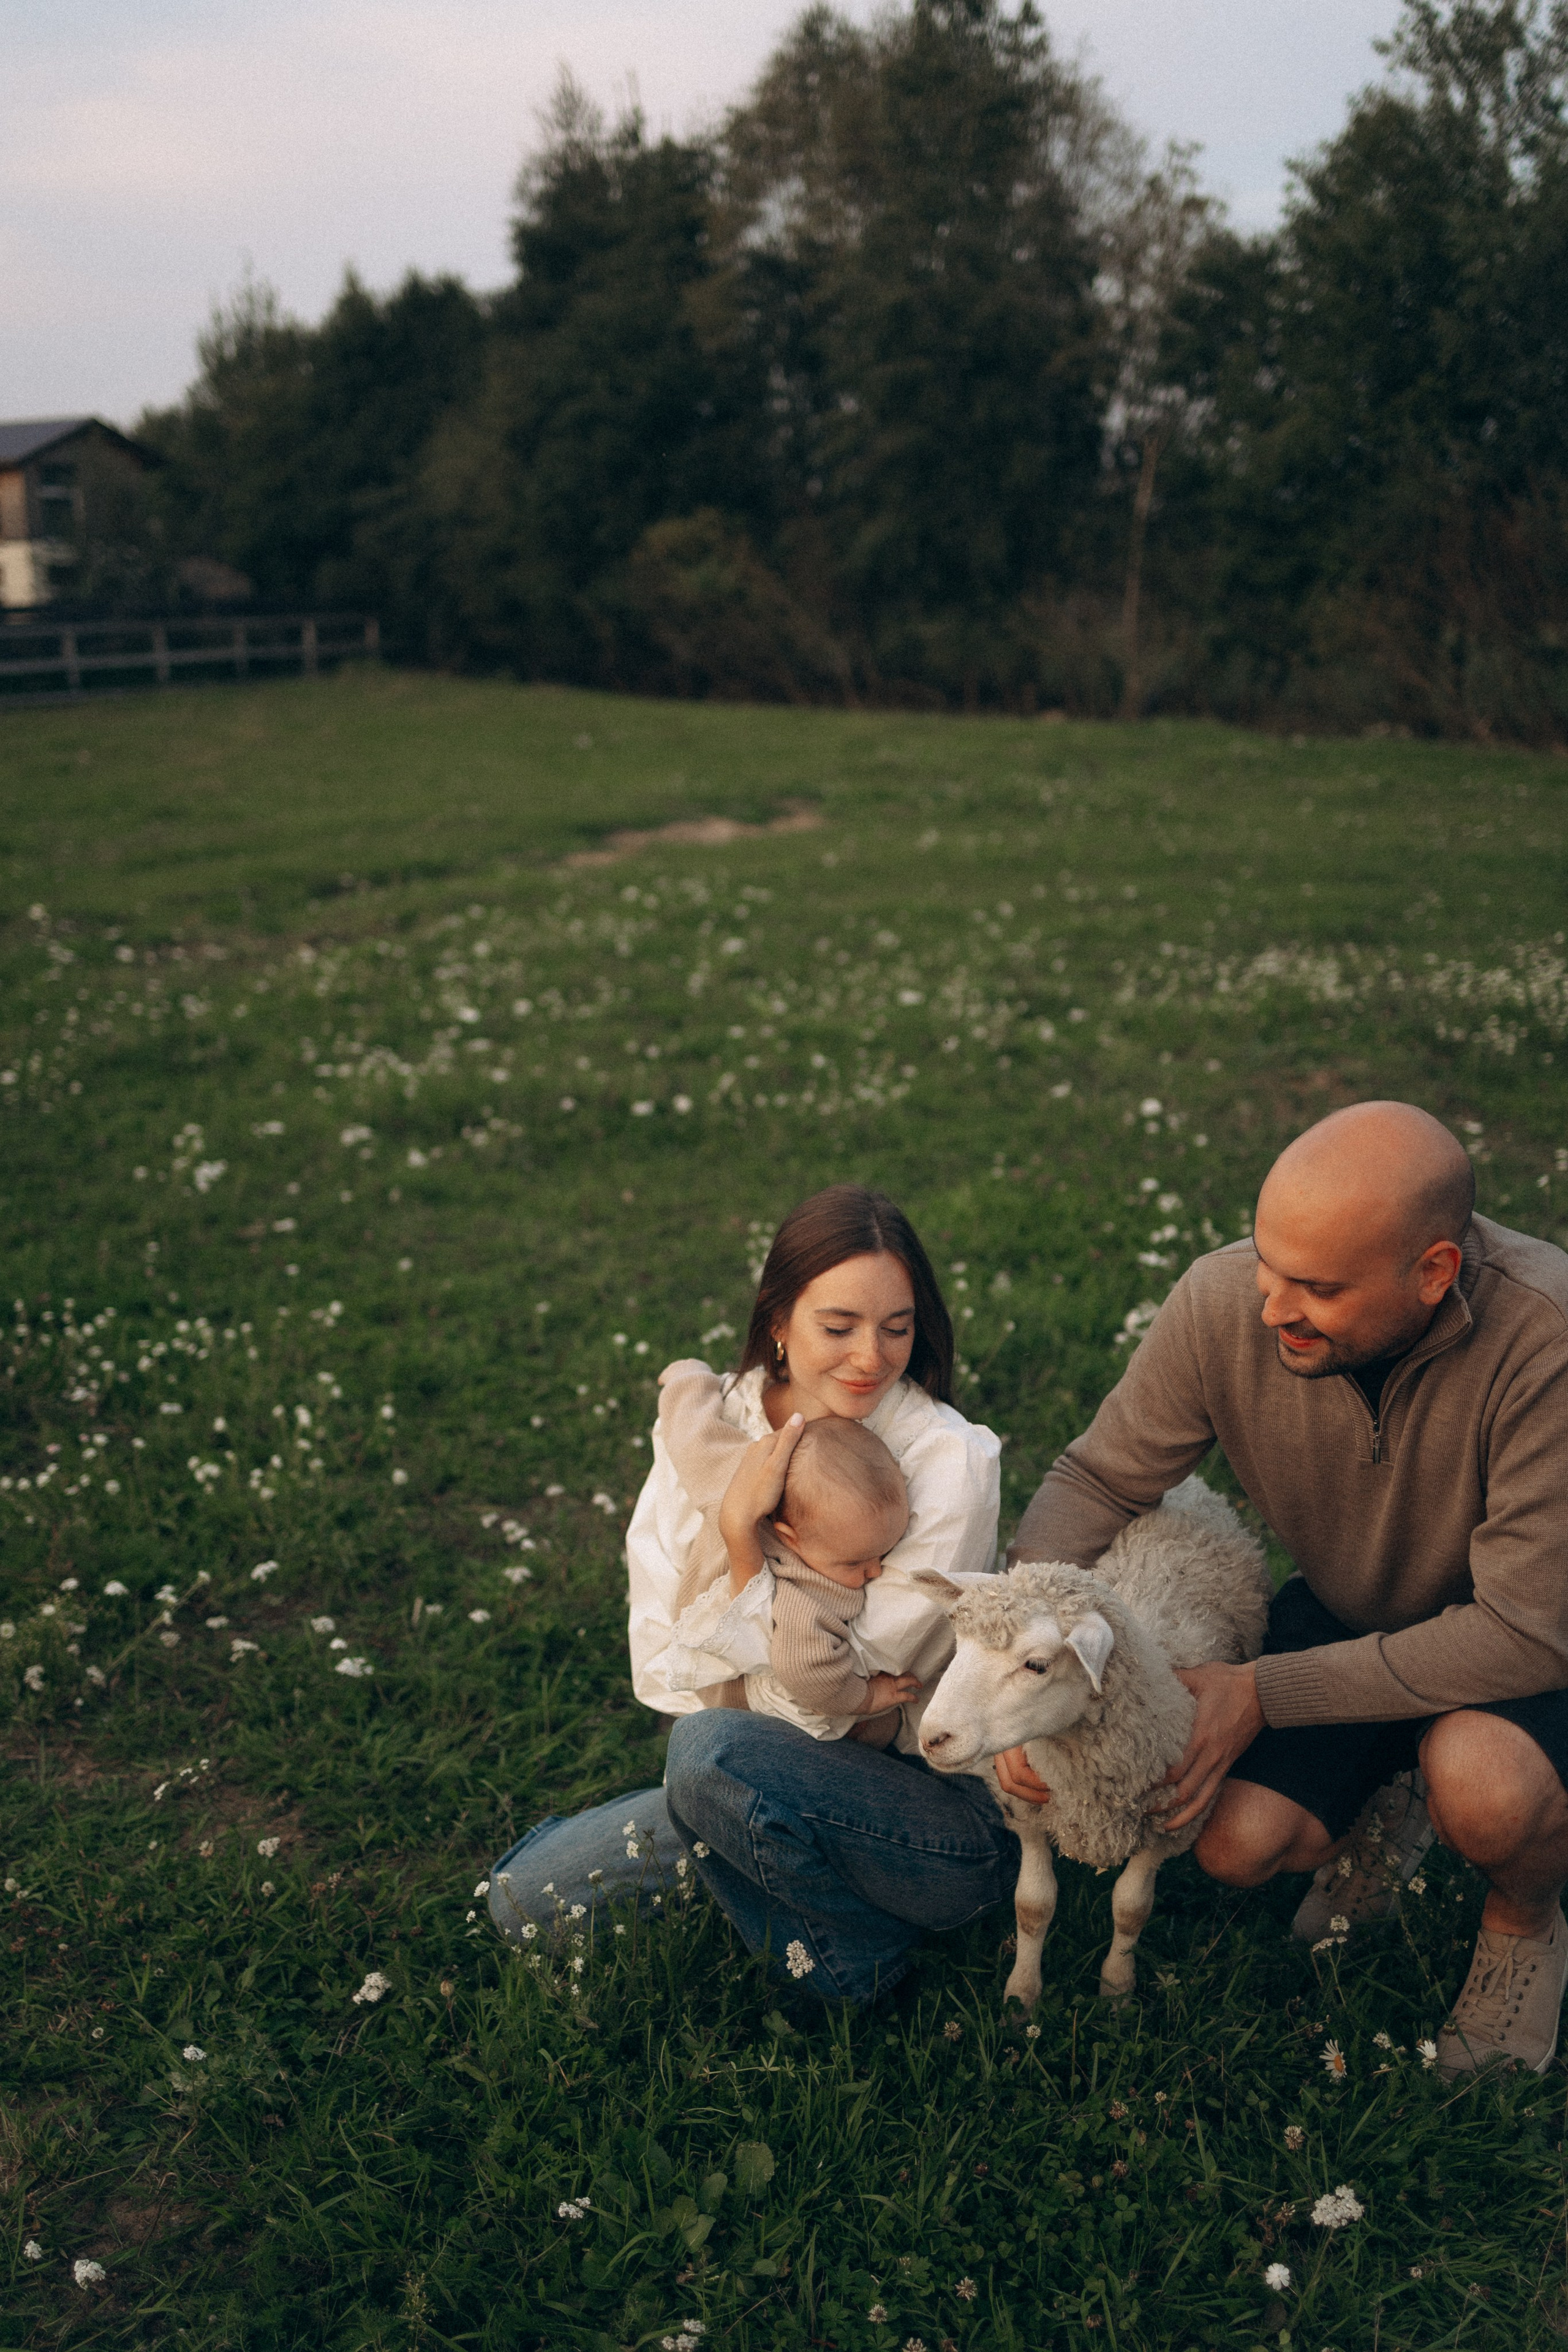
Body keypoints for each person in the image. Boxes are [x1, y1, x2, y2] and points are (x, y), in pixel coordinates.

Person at [1005, 1100, 1568, 2079]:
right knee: (1231, 1844)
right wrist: (1020, 1662)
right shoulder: (1223, 1303)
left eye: (1315, 1286)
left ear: (1433, 1273)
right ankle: (1396, 1794)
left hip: (1527, 1642)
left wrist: (1263, 1693)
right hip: (1354, 1613)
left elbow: (1521, 1632)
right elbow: (1099, 1480)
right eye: (1268, 1263)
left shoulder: (1547, 1343)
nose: (1270, 1307)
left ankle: (1524, 1922)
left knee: (1484, 1786)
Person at [488, 1184, 1003, 1981]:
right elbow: (664, 1654)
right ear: (778, 1324)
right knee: (523, 1899)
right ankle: (763, 1867)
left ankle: (844, 1963)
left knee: (708, 1752)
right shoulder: (714, 1427)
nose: (872, 1356)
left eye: (897, 1328)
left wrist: (741, 1550)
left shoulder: (950, 1463)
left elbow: (835, 1717)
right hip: (740, 1770)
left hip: (927, 1810)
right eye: (839, 1326)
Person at [656, 1371, 924, 1743]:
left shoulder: (737, 1473)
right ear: (790, 1539)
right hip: (738, 1694)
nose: (875, 1570)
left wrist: (687, 1381)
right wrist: (867, 1697)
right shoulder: (805, 1599)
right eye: (854, 1563)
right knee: (846, 1724)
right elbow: (807, 1672)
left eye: (884, 1553)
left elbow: (694, 1437)